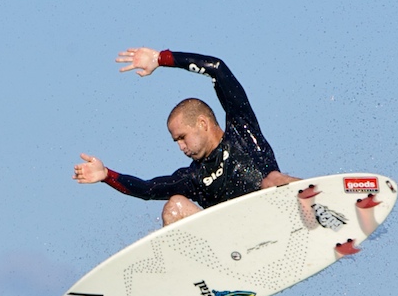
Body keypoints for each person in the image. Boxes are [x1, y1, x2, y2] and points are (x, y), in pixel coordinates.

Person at [74, 48, 297, 225]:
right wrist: (106, 175)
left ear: (202, 123)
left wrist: (161, 58)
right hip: (234, 241)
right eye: (176, 141)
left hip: (277, 219)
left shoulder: (242, 132)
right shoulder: (193, 178)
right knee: (175, 206)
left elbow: (218, 69)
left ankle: (319, 209)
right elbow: (147, 189)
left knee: (273, 179)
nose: (181, 147)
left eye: (182, 137)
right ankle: (188, 273)